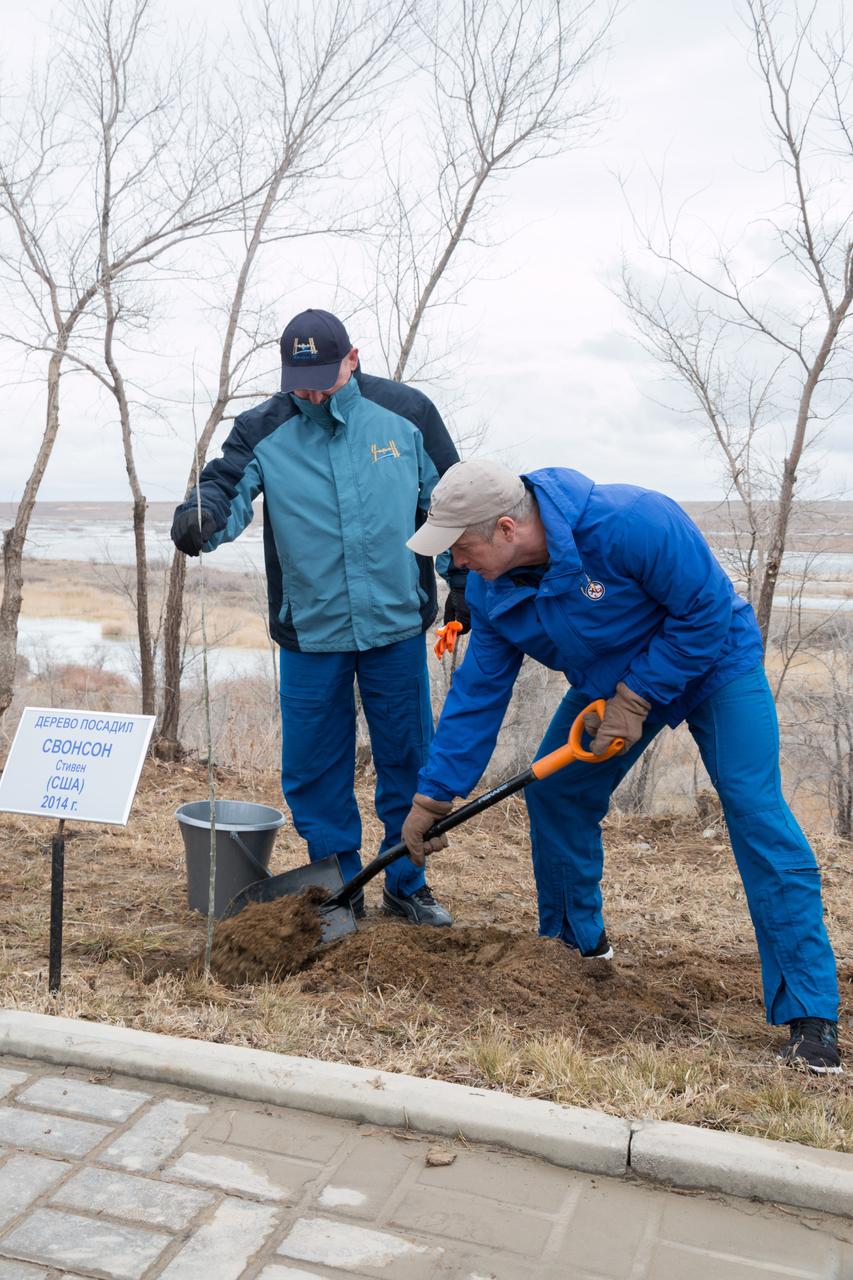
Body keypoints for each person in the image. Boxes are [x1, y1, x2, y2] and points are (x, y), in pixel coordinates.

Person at [400, 459, 841, 1074]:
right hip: (612, 687)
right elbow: (478, 694)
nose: (457, 564)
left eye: (463, 548)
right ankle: (575, 950)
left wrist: (638, 697)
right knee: (556, 793)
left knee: (754, 809)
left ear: (506, 529)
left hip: (715, 665)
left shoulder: (633, 520)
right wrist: (434, 796)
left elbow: (707, 614)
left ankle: (811, 1012)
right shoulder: (495, 591)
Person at [171, 308, 469, 925]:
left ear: (352, 359)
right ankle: (339, 885)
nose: (311, 391)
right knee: (313, 769)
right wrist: (200, 516)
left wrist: (462, 584)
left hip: (395, 629)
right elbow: (223, 487)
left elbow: (450, 502)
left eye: (324, 378)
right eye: (299, 379)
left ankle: (405, 883)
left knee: (408, 761)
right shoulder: (262, 427)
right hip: (310, 632)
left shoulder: (407, 416)